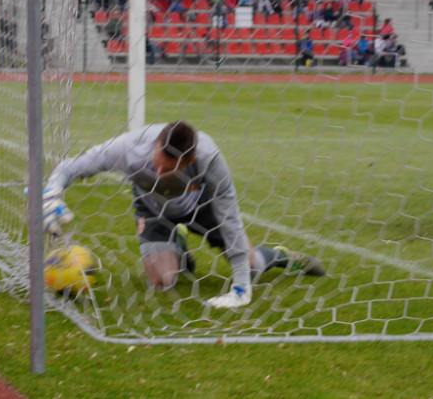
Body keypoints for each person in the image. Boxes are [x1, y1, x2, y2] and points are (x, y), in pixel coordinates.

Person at [41, 121, 325, 309]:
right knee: (163, 281)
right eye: (158, 164)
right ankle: (178, 245)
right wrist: (52, 193)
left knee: (250, 266)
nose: (159, 174)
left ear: (190, 161)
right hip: (152, 209)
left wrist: (240, 288)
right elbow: (72, 167)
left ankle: (281, 256)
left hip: (201, 207)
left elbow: (230, 217)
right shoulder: (128, 148)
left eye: (169, 169)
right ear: (155, 145)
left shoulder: (209, 158)